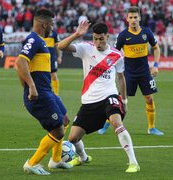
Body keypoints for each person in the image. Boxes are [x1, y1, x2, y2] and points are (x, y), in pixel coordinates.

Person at [58, 21, 140, 173]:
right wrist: (77, 34)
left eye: (101, 38)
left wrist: (125, 101)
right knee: (73, 139)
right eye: (95, 38)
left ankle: (133, 162)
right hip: (89, 101)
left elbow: (121, 78)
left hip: (109, 96)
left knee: (116, 122)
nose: (98, 42)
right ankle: (83, 157)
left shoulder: (117, 55)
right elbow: (60, 46)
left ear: (107, 37)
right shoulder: (86, 48)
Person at [16, 9, 73, 176]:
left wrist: (27, 89)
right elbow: (20, 63)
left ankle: (56, 161)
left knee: (64, 120)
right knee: (58, 131)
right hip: (40, 94)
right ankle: (32, 163)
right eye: (52, 24)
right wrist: (31, 88)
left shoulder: (40, 40)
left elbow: (22, 67)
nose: (53, 28)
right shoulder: (34, 40)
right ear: (45, 25)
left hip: (48, 92)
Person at [110, 6, 162, 135]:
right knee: (121, 100)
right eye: (131, 17)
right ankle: (107, 123)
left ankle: (151, 128)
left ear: (139, 18)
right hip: (129, 72)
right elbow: (115, 53)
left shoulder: (146, 32)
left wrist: (155, 65)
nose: (133, 20)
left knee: (149, 99)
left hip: (145, 72)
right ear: (127, 19)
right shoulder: (123, 35)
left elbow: (156, 48)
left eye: (135, 17)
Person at [44, 29, 62, 96]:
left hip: (52, 57)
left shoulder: (54, 33)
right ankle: (46, 92)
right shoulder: (40, 32)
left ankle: (56, 94)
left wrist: (59, 56)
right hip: (42, 57)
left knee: (54, 75)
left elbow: (58, 46)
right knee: (44, 75)